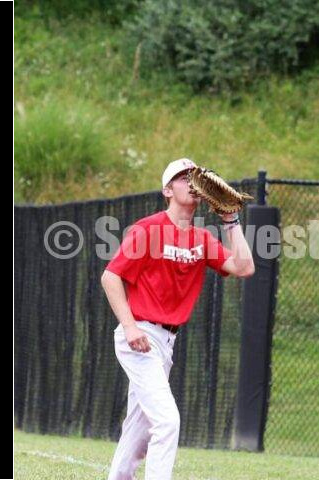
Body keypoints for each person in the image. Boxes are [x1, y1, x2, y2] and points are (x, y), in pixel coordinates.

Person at [102, 158, 255, 480]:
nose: (192, 182)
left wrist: (231, 220)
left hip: (165, 342)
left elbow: (244, 268)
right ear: (166, 190)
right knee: (167, 421)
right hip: (140, 336)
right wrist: (129, 327)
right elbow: (110, 277)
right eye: (182, 177)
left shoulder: (201, 239)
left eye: (195, 177)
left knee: (139, 425)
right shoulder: (149, 229)